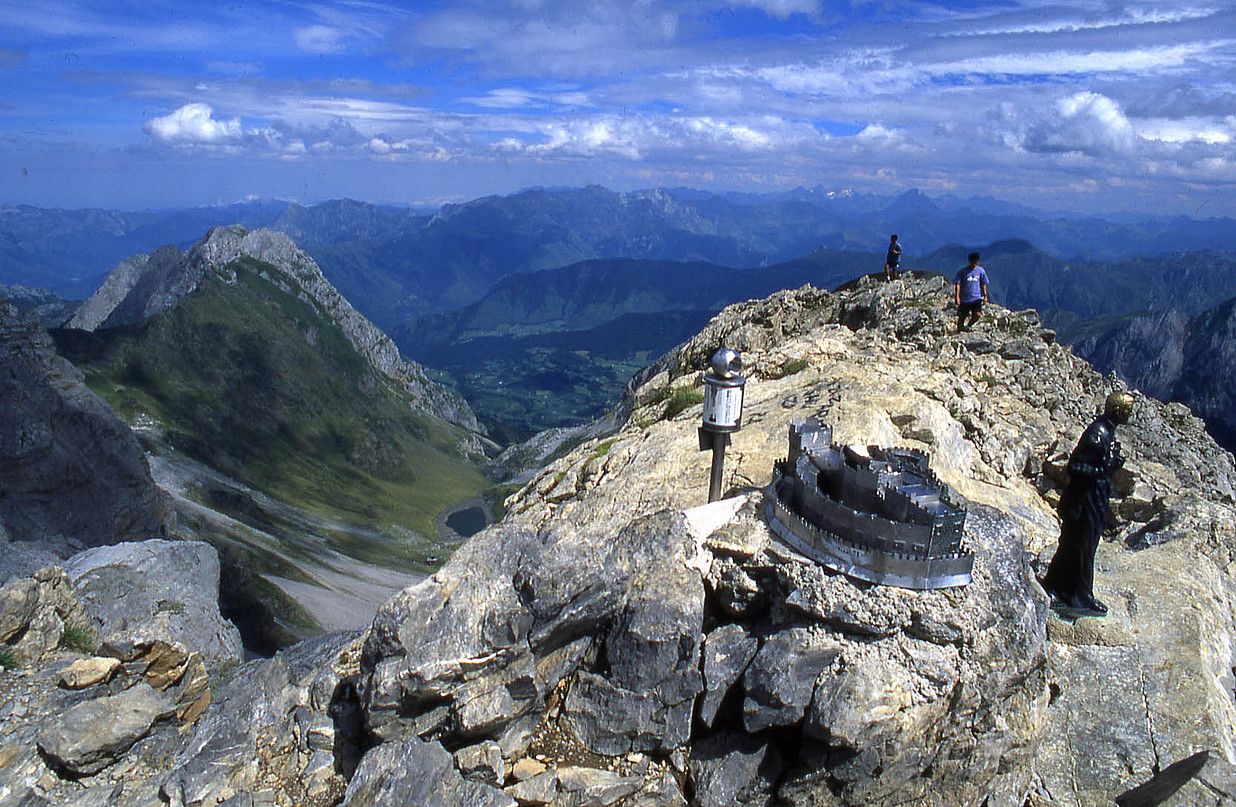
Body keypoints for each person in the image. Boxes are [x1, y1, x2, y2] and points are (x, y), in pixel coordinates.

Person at [1040, 391, 1135, 617]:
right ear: (1119, 410)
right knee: (1082, 548)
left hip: (1092, 499)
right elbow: (1075, 467)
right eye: (1128, 410)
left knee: (1074, 547)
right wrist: (1107, 467)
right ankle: (1080, 597)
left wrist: (1111, 465)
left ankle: (1058, 587)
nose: (1130, 415)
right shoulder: (1098, 434)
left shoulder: (1106, 430)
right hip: (1085, 503)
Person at [954, 252, 988, 331]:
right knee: (962, 316)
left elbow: (983, 283)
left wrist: (985, 296)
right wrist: (957, 297)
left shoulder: (981, 271)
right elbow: (957, 284)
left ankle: (968, 326)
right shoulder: (962, 272)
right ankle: (959, 330)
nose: (974, 264)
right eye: (973, 262)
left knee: (977, 314)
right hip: (965, 299)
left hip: (976, 297)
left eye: (976, 262)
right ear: (969, 261)